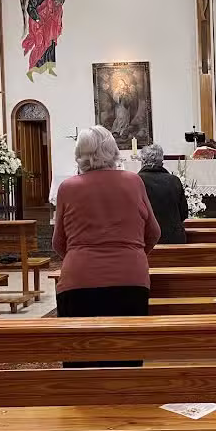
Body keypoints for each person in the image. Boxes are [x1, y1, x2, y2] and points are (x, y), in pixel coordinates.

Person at [53, 126, 161, 367]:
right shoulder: (134, 182)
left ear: (79, 154)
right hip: (130, 279)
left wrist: (80, 257)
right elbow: (154, 232)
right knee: (127, 358)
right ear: (113, 151)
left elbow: (58, 242)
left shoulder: (68, 188)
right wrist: (130, 255)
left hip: (79, 281)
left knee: (80, 361)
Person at [137, 144, 188, 244]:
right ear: (161, 161)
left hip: (145, 240)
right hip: (173, 239)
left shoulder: (136, 181)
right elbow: (184, 213)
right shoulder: (174, 181)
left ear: (142, 161)